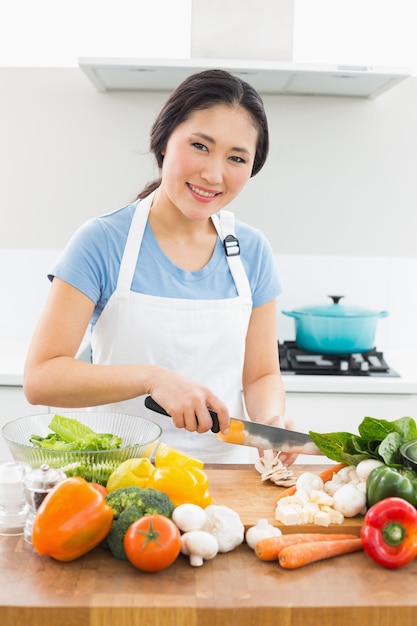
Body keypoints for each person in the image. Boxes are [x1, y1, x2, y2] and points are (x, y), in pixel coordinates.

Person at [23, 69, 293, 464]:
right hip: (119, 478)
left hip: (223, 483)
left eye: (237, 158)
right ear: (164, 140)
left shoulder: (251, 251)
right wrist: (153, 378)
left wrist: (270, 420)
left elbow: (261, 376)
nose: (213, 174)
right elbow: (41, 378)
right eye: (200, 146)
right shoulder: (102, 241)